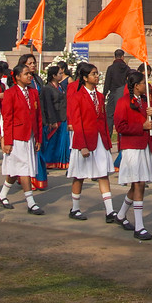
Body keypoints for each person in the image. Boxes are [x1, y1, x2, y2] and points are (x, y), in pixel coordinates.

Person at [65, 60, 117, 222]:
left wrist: (107, 143)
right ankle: (75, 208)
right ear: (85, 77)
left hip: (99, 139)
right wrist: (81, 146)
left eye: (97, 73)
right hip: (84, 140)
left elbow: (102, 120)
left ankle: (110, 211)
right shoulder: (77, 96)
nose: (97, 76)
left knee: (103, 174)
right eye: (93, 74)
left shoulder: (100, 96)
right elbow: (77, 121)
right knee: (79, 176)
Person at [113, 70, 152, 240]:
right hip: (132, 147)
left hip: (144, 146)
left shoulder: (145, 101)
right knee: (138, 184)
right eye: (143, 83)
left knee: (138, 184)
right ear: (136, 85)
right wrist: (142, 127)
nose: (146, 85)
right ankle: (139, 226)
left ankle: (121, 215)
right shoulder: (124, 102)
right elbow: (121, 127)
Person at [0, 59, 45, 213]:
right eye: (26, 74)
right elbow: (7, 119)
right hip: (16, 137)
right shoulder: (10, 93)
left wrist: (38, 138)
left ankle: (2, 194)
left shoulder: (33, 92)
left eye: (30, 74)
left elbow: (38, 117)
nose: (29, 76)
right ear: (17, 77)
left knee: (17, 168)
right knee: (23, 169)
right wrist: (7, 141)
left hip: (29, 136)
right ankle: (30, 202)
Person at [38, 61, 71, 173]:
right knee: (52, 142)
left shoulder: (61, 86)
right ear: (53, 76)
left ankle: (60, 161)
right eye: (59, 73)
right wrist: (51, 120)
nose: (61, 75)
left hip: (62, 116)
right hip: (53, 118)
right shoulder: (47, 88)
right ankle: (48, 161)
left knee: (61, 141)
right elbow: (48, 105)